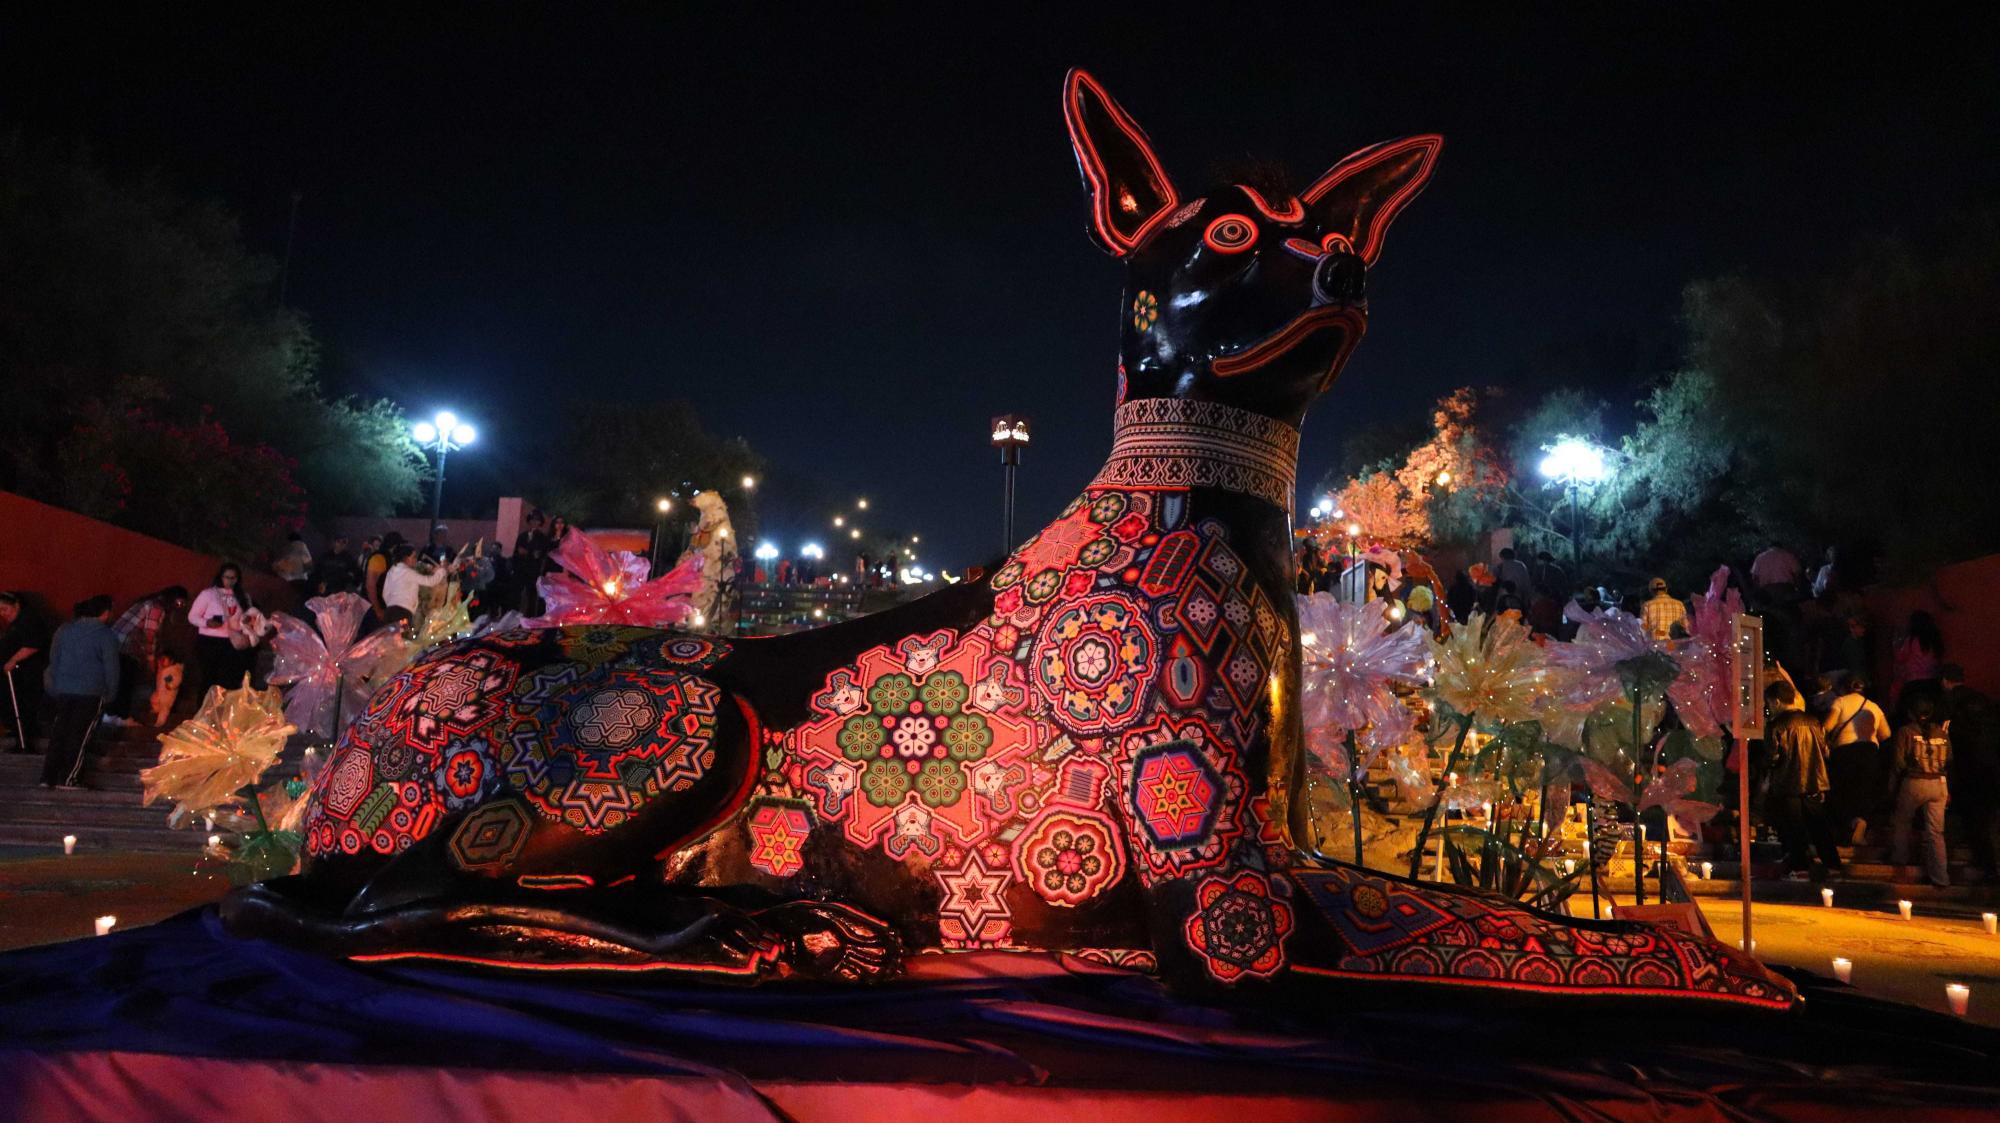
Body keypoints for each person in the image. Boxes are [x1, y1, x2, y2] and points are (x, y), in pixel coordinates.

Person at [1763, 680, 1846, 879]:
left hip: (1787, 782)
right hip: (1814, 781)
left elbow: (1773, 757)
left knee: (1794, 826)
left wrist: (1768, 776)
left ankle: (1800, 867)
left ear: (1775, 702)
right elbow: (1825, 750)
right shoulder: (1814, 721)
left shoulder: (1776, 725)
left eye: (1768, 704)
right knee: (1819, 825)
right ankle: (1833, 865)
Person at [41, 596, 120, 789]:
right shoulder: (106, 635)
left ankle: (48, 777)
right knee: (80, 735)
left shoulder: (64, 630)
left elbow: (54, 660)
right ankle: (69, 778)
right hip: (91, 692)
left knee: (59, 732)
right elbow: (111, 667)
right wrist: (111, 693)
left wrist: (53, 686)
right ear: (105, 613)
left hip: (63, 689)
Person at [1941, 664, 1998, 884]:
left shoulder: (1950, 703)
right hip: (1990, 769)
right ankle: (1987, 863)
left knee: (1970, 819)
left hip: (1965, 769)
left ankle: (1983, 864)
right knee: (1985, 820)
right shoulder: (1984, 701)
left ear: (1945, 681)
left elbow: (1946, 737)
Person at [1888, 693, 1952, 888]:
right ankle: (1941, 878)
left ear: (1911, 713)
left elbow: (1898, 762)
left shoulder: (1906, 732)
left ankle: (1900, 866)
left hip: (1914, 781)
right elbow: (1948, 761)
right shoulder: (1942, 734)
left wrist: (1891, 788)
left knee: (1902, 823)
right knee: (1936, 833)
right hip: (1938, 784)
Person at [1821, 675, 1891, 844]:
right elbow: (1886, 734)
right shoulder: (1874, 707)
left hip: (1844, 752)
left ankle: (1845, 828)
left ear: (1845, 687)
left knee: (1843, 791)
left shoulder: (1840, 702)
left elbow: (1827, 726)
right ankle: (1861, 823)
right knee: (1864, 791)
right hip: (1869, 752)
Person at [109, 586, 189, 722]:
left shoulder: (150, 603)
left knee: (120, 681)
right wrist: (150, 659)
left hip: (118, 645)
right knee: (125, 682)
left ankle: (114, 715)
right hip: (126, 647)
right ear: (171, 599)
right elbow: (149, 634)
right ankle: (119, 716)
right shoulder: (156, 608)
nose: (179, 607)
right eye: (178, 603)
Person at [189, 563, 255, 694]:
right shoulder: (208, 594)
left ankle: (223, 711)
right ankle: (206, 710)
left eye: (234, 578)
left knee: (228, 680)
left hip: (233, 642)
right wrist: (207, 622)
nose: (230, 581)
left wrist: (247, 621)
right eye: (227, 577)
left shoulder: (243, 596)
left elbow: (249, 617)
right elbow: (192, 616)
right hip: (209, 641)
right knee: (209, 679)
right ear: (220, 577)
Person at [0, 591, 51, 751]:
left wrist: (12, 660)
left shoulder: (29, 620)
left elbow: (32, 644)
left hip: (27, 674)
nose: (2, 614)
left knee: (25, 706)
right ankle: (18, 734)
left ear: (16, 605)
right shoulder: (16, 624)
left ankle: (24, 738)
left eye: (5, 609)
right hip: (17, 675)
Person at [1890, 610, 1944, 716]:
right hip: (1933, 682)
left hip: (1914, 683)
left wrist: (1896, 644)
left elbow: (1900, 657)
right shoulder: (1935, 640)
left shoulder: (1912, 641)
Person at [382, 544, 449, 620]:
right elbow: (430, 581)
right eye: (413, 557)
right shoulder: (408, 573)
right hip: (403, 612)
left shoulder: (391, 571)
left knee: (391, 631)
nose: (416, 560)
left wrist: (391, 603)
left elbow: (385, 593)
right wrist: (441, 571)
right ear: (406, 558)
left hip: (389, 611)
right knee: (402, 632)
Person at [364, 533, 404, 624]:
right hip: (375, 609)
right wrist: (377, 610)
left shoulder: (390, 558)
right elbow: (370, 586)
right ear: (394, 546)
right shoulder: (379, 558)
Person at [273, 532, 314, 600]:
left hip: (285, 580)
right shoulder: (300, 546)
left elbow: (277, 564)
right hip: (297, 582)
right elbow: (309, 566)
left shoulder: (295, 547)